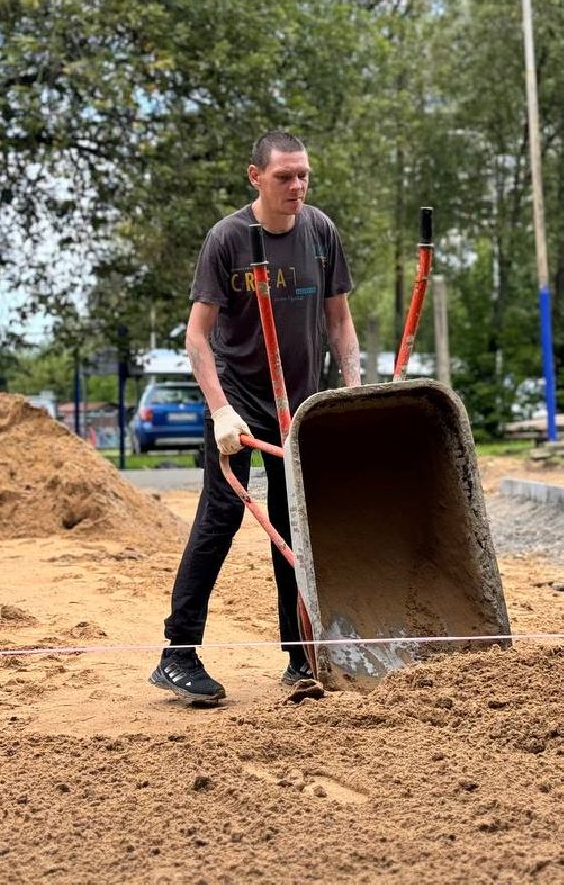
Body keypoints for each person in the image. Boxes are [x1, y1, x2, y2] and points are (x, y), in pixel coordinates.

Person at [151, 131, 361, 704]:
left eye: (304, 176)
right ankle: (178, 654)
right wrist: (219, 411)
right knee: (218, 521)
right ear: (255, 177)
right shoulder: (227, 240)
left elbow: (340, 323)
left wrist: (352, 396)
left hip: (300, 407)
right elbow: (197, 336)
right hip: (239, 403)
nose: (297, 187)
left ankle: (300, 660)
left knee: (295, 530)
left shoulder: (321, 232)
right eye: (284, 177)